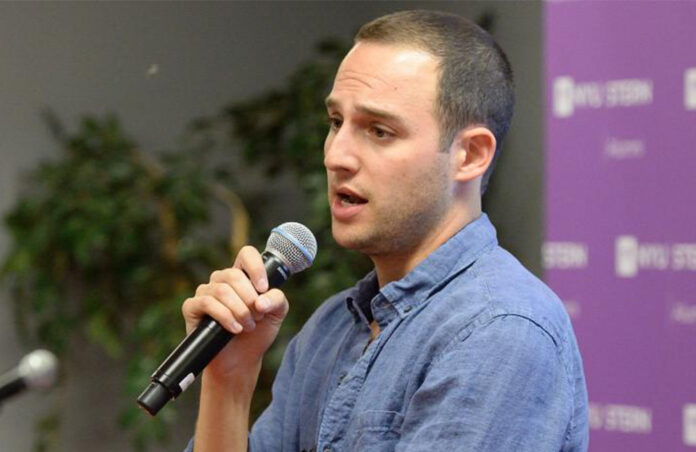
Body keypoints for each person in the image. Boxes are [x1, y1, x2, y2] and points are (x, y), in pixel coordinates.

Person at [183, 10, 588, 452]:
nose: (335, 156)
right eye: (336, 122)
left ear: (470, 154)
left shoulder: (500, 330)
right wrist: (229, 380)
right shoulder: (332, 327)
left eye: (379, 131)